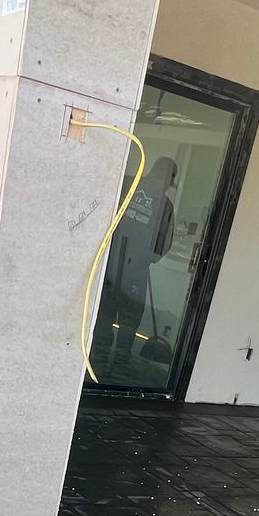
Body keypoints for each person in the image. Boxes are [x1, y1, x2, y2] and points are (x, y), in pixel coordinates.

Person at [94, 156, 179, 371]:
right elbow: (163, 246)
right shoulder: (165, 206)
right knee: (129, 320)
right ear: (170, 179)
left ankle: (99, 360)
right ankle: (119, 364)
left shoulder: (128, 184)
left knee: (105, 314)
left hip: (110, 268)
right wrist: (144, 258)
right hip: (135, 274)